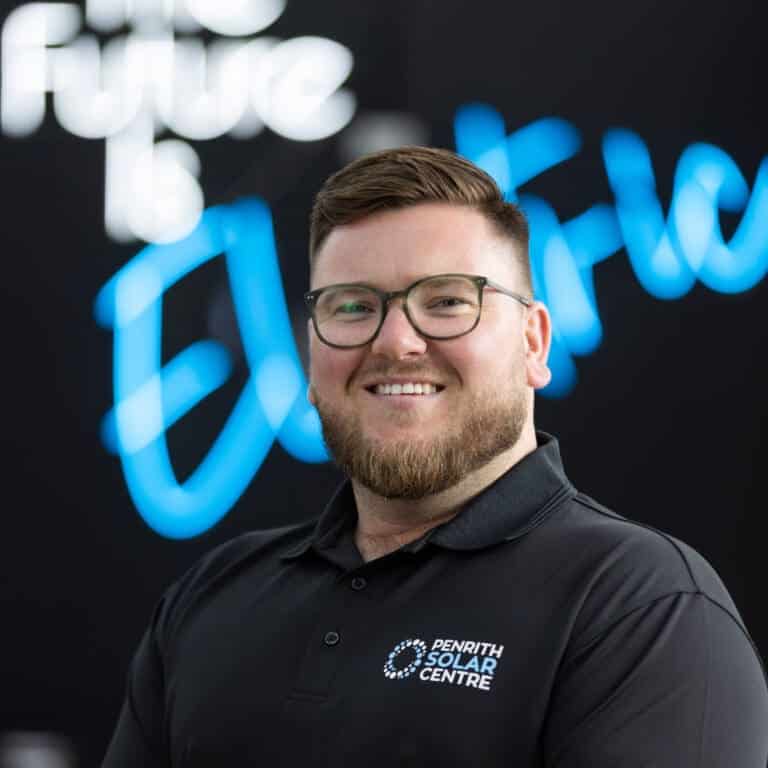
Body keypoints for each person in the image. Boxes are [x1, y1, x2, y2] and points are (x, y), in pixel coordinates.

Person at [102, 146, 768, 767]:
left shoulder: (641, 607)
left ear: (534, 343)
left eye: (448, 301)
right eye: (353, 306)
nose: (396, 342)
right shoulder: (211, 599)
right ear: (309, 353)